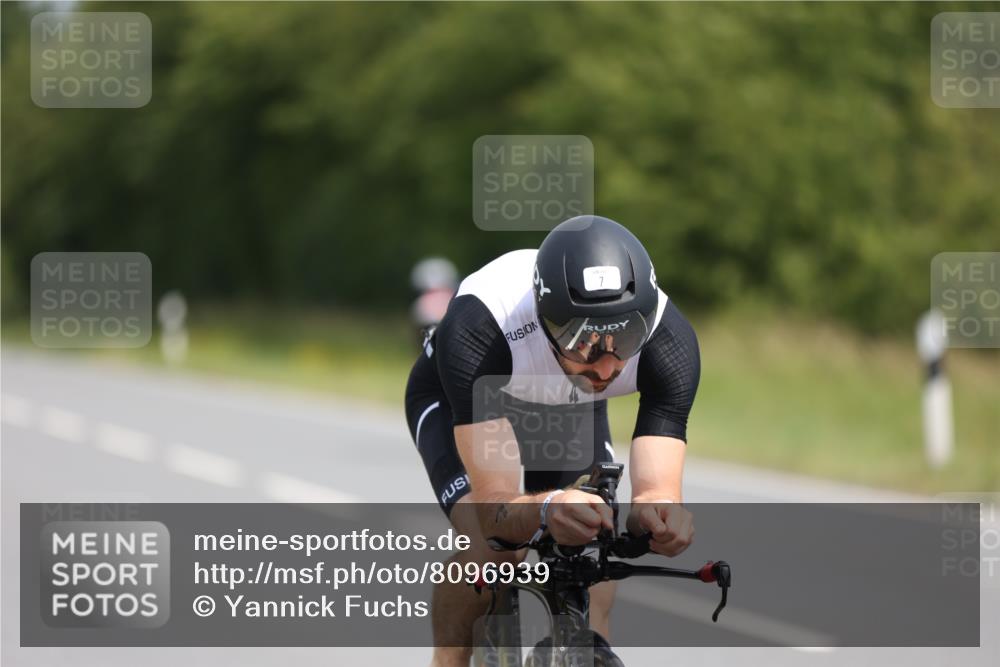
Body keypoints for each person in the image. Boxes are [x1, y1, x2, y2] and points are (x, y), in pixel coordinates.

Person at [404, 215, 700, 666]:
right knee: (494, 549)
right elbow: (497, 511)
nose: (607, 367)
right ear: (547, 321)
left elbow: (656, 491)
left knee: (593, 550)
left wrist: (660, 517)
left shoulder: (669, 342)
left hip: (569, 400)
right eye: (586, 342)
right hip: (463, 396)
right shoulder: (480, 324)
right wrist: (547, 507)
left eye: (626, 338)